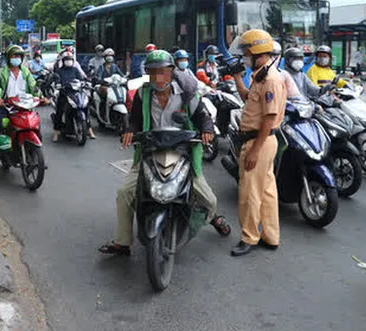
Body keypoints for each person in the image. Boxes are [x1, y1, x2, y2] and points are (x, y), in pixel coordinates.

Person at [98, 50, 231, 256]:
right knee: (125, 193)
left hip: (183, 151)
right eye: (153, 72)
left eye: (163, 71)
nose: (159, 77)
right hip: (150, 150)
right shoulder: (144, 93)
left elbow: (202, 116)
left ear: (171, 71)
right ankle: (122, 242)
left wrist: (207, 130)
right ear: (148, 74)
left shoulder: (187, 92)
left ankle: (211, 217)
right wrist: (130, 132)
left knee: (208, 199)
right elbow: (134, 120)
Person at [230, 29, 287, 257]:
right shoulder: (260, 75)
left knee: (249, 193)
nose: (244, 57)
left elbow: (270, 118)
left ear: (257, 53)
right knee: (266, 191)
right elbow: (247, 98)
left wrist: (254, 150)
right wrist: (236, 78)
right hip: (262, 141)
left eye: (246, 53)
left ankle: (249, 237)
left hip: (259, 142)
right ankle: (271, 236)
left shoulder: (271, 80)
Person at [0, 45, 38, 172]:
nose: (16, 58)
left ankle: (33, 154)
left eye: (19, 56)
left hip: (24, 106)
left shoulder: (25, 72)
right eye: (14, 56)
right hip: (6, 106)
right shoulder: (1, 72)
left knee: (35, 126)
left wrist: (41, 97)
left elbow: (34, 87)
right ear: (9, 58)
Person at [52, 52, 96, 141]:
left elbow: (81, 78)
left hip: (76, 92)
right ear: (63, 61)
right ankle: (56, 132)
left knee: (85, 108)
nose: (68, 61)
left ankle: (89, 129)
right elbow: (57, 79)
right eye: (67, 60)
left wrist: (86, 82)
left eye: (70, 59)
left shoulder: (75, 70)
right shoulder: (59, 71)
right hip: (65, 93)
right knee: (59, 110)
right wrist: (58, 84)